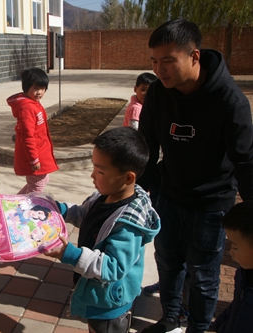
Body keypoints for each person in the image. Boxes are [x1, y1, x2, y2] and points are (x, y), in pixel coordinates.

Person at [137, 19, 253, 333]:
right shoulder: (159, 94)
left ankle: (199, 328)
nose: (160, 70)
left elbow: (246, 162)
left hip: (211, 206)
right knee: (168, 263)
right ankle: (170, 317)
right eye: (155, 62)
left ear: (194, 56)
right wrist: (137, 191)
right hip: (169, 196)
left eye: (168, 61)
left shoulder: (230, 102)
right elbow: (147, 144)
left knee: (203, 277)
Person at [45, 126, 160, 333]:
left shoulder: (128, 225)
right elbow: (85, 215)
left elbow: (113, 268)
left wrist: (69, 254)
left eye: (99, 171)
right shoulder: (103, 195)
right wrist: (61, 210)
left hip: (108, 305)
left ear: (128, 178)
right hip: (94, 290)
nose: (92, 175)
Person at [7, 67, 58, 194]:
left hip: (41, 151)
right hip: (34, 155)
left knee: (42, 180)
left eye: (42, 88)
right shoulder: (27, 108)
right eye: (35, 88)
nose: (39, 92)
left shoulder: (34, 103)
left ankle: (15, 202)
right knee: (37, 187)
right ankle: (22, 209)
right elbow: (27, 136)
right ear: (26, 88)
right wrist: (34, 159)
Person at [209, 201, 253, 333]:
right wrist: (221, 324)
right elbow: (236, 306)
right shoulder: (244, 273)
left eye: (234, 246)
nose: (230, 252)